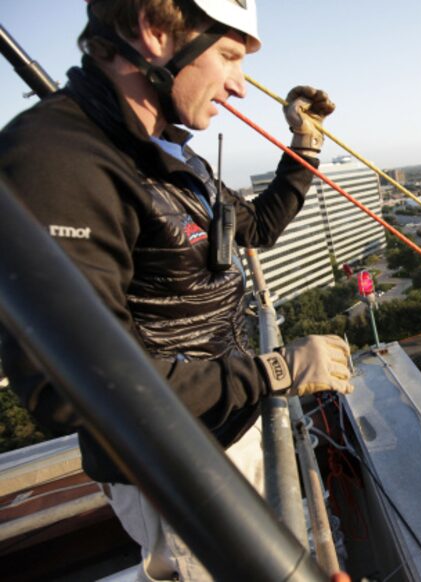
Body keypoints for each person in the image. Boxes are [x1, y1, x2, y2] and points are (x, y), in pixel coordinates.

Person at [0, 0, 351, 578]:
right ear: (156, 32)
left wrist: (305, 148)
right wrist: (274, 372)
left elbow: (255, 227)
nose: (239, 87)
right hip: (171, 469)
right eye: (230, 57)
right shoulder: (57, 162)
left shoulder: (169, 155)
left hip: (223, 423)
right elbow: (68, 387)